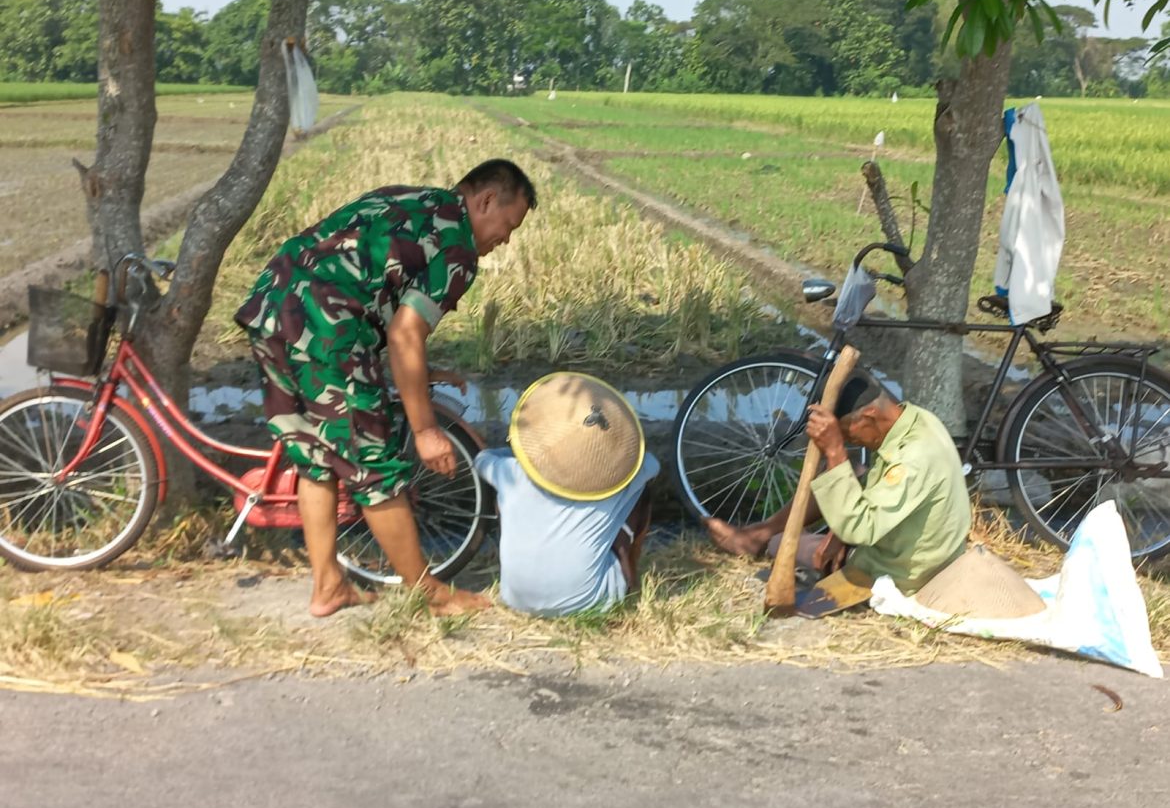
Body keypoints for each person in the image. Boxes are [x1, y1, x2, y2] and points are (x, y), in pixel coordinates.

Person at [235, 159, 537, 617]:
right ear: (487, 200)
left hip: (274, 305)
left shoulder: (407, 198)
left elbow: (378, 299)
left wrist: (417, 371)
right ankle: (431, 594)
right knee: (374, 465)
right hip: (327, 328)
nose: (506, 239)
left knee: (317, 457)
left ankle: (328, 585)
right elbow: (404, 335)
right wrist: (426, 430)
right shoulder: (457, 249)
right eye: (508, 224)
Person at [706, 374, 969, 596]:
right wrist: (837, 533)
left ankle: (763, 538)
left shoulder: (912, 458)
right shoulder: (915, 418)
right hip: (905, 539)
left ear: (870, 415)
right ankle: (758, 534)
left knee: (783, 543)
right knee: (848, 472)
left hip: (905, 571)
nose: (848, 439)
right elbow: (870, 493)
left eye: (847, 432)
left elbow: (860, 530)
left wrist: (834, 450)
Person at [473, 372, 660, 617]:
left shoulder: (511, 472)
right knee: (641, 492)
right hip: (594, 602)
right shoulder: (616, 483)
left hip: (515, 598)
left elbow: (482, 459)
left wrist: (516, 453)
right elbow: (651, 464)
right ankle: (628, 574)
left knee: (503, 494)